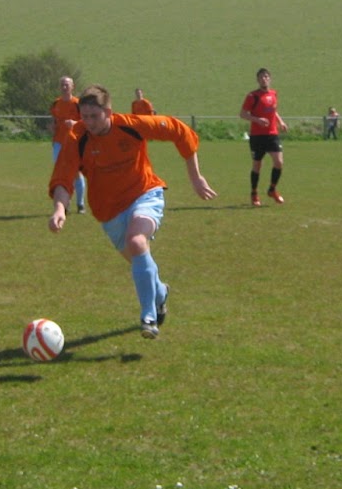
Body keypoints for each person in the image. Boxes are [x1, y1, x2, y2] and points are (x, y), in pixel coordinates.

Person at [48, 84, 216, 339]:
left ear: (109, 112)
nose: (89, 122)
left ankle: (149, 316)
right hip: (109, 212)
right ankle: (160, 294)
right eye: (84, 116)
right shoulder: (77, 138)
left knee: (137, 241)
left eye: (94, 116)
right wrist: (60, 207)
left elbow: (180, 131)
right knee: (139, 257)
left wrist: (195, 177)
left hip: (145, 195)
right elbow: (63, 176)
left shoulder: (130, 125)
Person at [239, 67, 288, 206]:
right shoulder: (252, 96)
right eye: (261, 77)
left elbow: (274, 111)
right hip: (257, 136)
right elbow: (243, 114)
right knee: (257, 165)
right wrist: (257, 120)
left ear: (270, 78)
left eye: (266, 76)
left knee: (279, 162)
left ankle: (272, 190)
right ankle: (254, 194)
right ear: (257, 79)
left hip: (272, 134)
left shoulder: (274, 94)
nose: (264, 79)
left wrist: (281, 122)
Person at [50, 75, 86, 213]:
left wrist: (75, 123)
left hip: (74, 143)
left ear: (72, 87)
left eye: (67, 84)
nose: (64, 87)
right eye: (62, 85)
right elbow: (54, 120)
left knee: (76, 173)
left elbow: (87, 123)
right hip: (59, 143)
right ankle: (65, 204)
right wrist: (52, 127)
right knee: (62, 174)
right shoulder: (56, 104)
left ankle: (80, 204)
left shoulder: (78, 104)